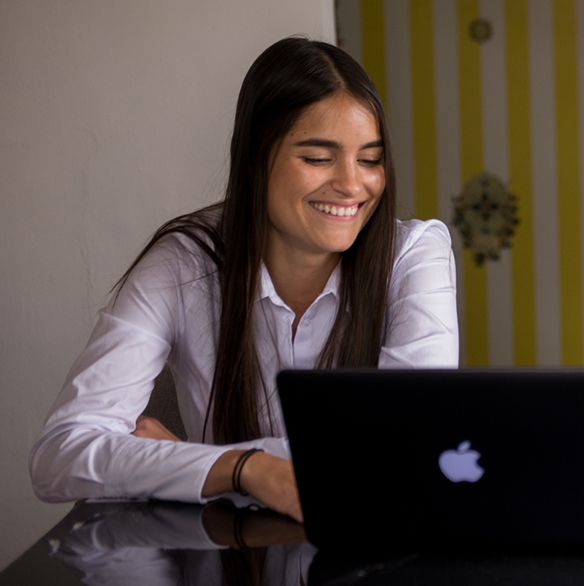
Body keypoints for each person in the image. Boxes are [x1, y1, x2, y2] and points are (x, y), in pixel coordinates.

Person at [29, 37, 459, 522]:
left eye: (370, 158)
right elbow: (60, 455)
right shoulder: (185, 261)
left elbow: (412, 447)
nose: (352, 183)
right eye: (318, 158)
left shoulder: (415, 253)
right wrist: (245, 470)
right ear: (255, 158)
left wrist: (203, 463)